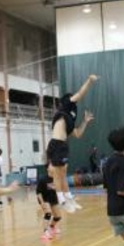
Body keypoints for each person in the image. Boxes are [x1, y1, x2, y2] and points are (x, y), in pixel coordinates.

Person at [47, 74, 98, 213]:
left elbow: (77, 134)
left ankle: (68, 197)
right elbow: (80, 93)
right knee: (58, 175)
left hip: (62, 145)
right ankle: (62, 200)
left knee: (63, 174)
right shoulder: (65, 107)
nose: (75, 100)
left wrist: (85, 122)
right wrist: (89, 80)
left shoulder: (69, 119)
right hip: (56, 144)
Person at [36, 169, 64, 241]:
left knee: (58, 216)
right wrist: (42, 203)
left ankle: (52, 227)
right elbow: (38, 192)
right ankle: (45, 233)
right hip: (44, 199)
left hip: (53, 199)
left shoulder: (57, 178)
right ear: (48, 168)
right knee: (48, 213)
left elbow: (59, 190)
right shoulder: (43, 179)